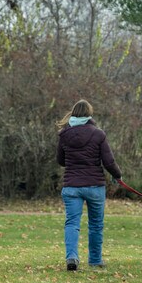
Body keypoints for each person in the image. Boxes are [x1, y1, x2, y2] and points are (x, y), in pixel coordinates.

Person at [56, 99, 122, 271]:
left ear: (73, 113)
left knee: (72, 223)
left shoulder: (64, 134)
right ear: (89, 114)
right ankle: (95, 260)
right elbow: (109, 161)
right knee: (96, 224)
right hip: (94, 186)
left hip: (71, 186)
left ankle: (71, 257)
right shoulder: (98, 134)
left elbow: (60, 160)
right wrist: (118, 175)